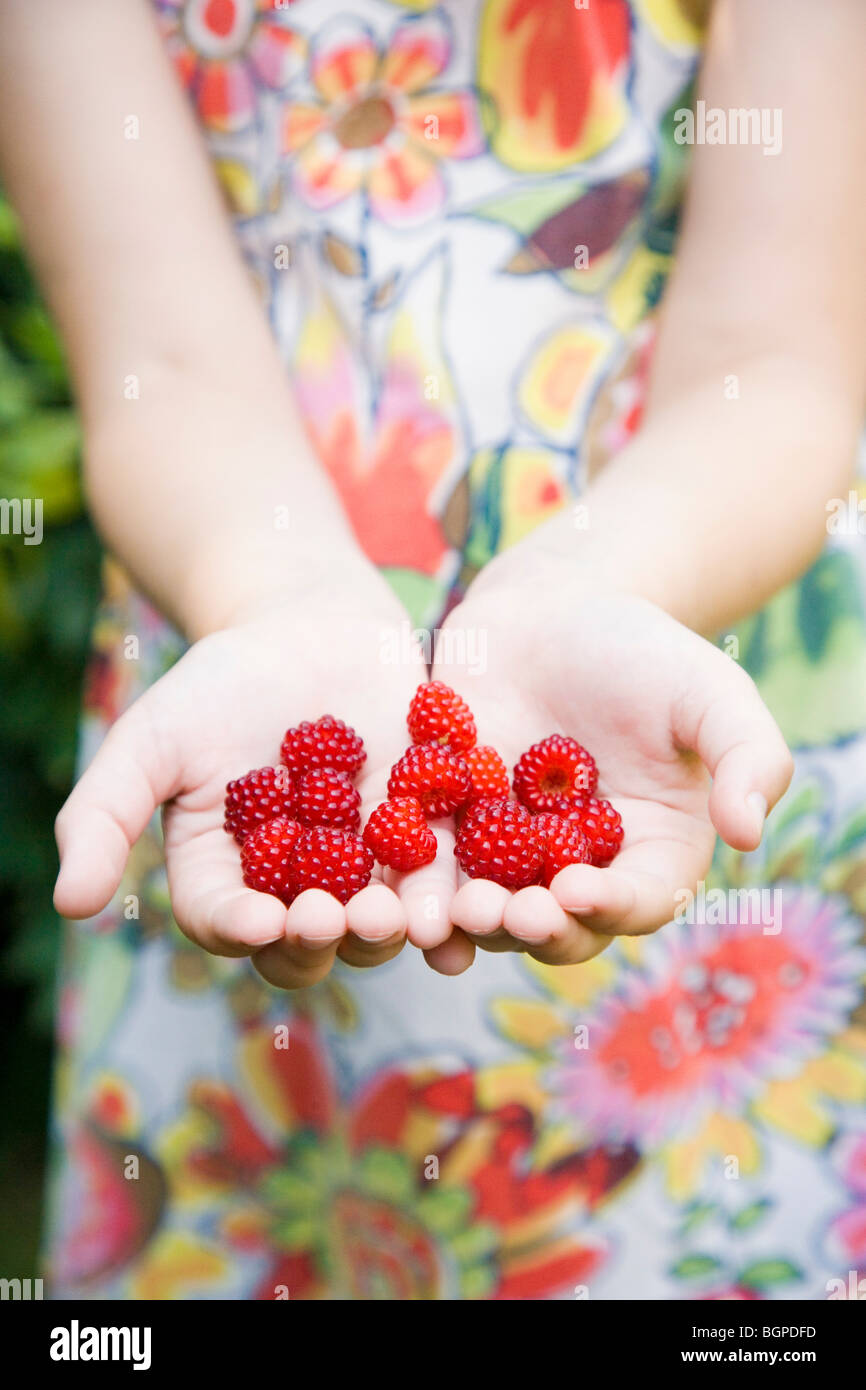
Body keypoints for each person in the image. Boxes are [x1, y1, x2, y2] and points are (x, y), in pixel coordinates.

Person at [1, 0, 864, 1300]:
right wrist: (274, 595)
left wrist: (604, 577)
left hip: (681, 620)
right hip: (244, 602)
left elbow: (778, 361)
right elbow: (160, 366)